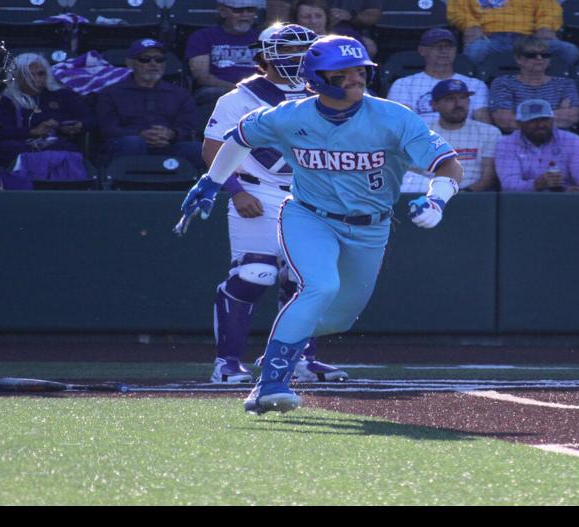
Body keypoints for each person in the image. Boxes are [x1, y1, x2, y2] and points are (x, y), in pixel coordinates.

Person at [178, 34, 462, 415]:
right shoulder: (290, 115)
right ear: (317, 78)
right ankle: (269, 385)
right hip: (308, 215)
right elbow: (238, 138)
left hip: (371, 227)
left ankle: (284, 346)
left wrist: (438, 198)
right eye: (343, 73)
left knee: (338, 317)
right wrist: (213, 181)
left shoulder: (393, 117)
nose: (356, 79)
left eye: (360, 71)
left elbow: (447, 164)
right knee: (317, 286)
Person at [199, 23, 347, 385]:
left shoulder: (323, 94)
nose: (299, 59)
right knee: (255, 273)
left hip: (310, 195)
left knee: (308, 279)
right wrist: (235, 189)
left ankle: (300, 360)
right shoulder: (238, 98)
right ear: (263, 57)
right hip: (257, 191)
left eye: (304, 51)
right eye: (290, 51)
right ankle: (227, 363)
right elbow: (212, 150)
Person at [96, 39, 203, 168]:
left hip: (168, 146)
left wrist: (172, 134)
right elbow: (107, 129)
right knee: (133, 143)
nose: (153, 64)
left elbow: (189, 127)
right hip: (127, 146)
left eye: (159, 60)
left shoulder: (180, 94)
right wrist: (139, 134)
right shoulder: (111, 93)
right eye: (145, 59)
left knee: (196, 149)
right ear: (130, 63)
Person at [0, 52, 91, 177]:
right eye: (29, 75)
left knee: (66, 150)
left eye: (40, 73)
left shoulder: (61, 95)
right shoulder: (6, 100)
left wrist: (77, 125)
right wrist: (33, 131)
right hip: (21, 147)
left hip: (57, 143)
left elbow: (90, 119)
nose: (36, 79)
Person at [404, 79, 496, 193]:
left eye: (463, 98)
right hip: (429, 196)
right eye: (450, 99)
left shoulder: (489, 132)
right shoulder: (421, 135)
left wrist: (466, 193)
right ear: (434, 105)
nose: (458, 104)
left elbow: (489, 176)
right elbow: (411, 175)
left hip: (474, 197)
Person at [386, 29, 490, 124]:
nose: (444, 51)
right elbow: (402, 123)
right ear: (422, 50)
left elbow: (483, 122)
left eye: (448, 46)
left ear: (455, 50)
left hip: (463, 140)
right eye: (437, 46)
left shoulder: (475, 85)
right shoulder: (403, 84)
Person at [494, 98, 579, 192]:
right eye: (533, 121)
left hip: (565, 201)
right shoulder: (506, 144)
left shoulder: (572, 141)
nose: (540, 125)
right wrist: (536, 184)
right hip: (523, 203)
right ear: (519, 124)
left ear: (552, 120)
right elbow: (509, 185)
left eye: (544, 119)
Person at [487, 35, 579, 133]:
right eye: (531, 55)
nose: (539, 58)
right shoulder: (503, 82)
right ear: (518, 59)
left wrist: (521, 117)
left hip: (559, 141)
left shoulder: (565, 83)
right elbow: (505, 121)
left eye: (545, 54)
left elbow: (573, 116)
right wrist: (557, 113)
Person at [448, 0, 579, 71]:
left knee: (570, 52)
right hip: (490, 39)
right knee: (475, 52)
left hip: (530, 40)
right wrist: (471, 26)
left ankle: (547, 84)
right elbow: (456, 10)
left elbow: (551, 9)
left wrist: (545, 27)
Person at [186, 0, 267, 105]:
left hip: (259, 90)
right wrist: (237, 89)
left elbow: (272, 71)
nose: (245, 15)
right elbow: (202, 77)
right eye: (238, 10)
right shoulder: (202, 36)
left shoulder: (263, 37)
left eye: (250, 10)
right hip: (218, 90)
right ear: (222, 12)